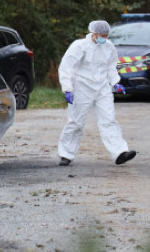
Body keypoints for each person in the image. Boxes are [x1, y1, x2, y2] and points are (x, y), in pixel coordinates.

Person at [57, 20, 137, 167]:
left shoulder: (109, 47)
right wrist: (68, 89)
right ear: (93, 33)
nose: (104, 38)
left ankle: (119, 152)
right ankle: (66, 154)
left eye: (106, 35)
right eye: (101, 35)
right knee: (76, 122)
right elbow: (66, 67)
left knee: (109, 120)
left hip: (102, 88)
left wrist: (115, 83)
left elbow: (111, 68)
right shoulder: (80, 46)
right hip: (82, 87)